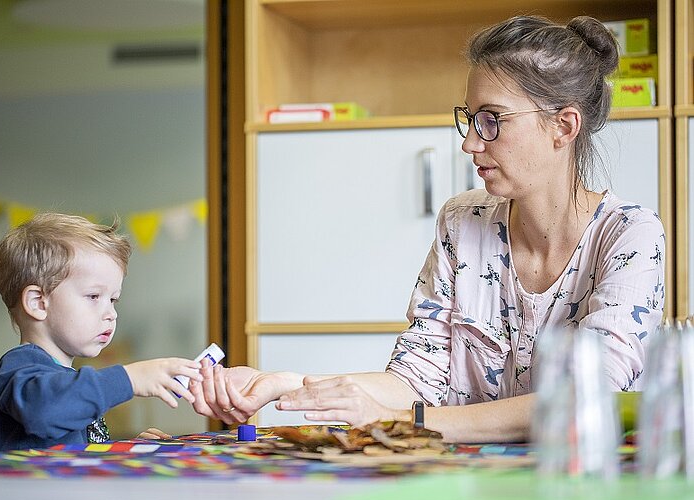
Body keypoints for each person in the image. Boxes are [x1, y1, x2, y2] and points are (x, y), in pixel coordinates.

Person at [190, 15, 666, 443]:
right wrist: (289, 385)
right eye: (469, 119)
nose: (470, 142)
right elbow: (416, 377)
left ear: (563, 126)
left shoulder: (631, 236)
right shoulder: (463, 221)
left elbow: (585, 398)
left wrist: (404, 419)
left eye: (491, 120)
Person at [0, 213, 203, 453]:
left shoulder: (66, 379)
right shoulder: (20, 366)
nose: (111, 314)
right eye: (94, 296)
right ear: (38, 303)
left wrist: (122, 447)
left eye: (113, 299)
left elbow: (76, 449)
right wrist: (129, 378)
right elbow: (46, 410)